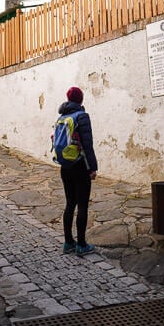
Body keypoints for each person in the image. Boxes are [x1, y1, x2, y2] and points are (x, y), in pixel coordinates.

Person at [57, 86, 98, 256]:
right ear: (80, 99)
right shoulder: (82, 116)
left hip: (65, 166)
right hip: (80, 166)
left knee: (69, 203)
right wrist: (93, 167)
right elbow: (87, 144)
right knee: (82, 205)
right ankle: (81, 244)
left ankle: (68, 243)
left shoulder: (62, 117)